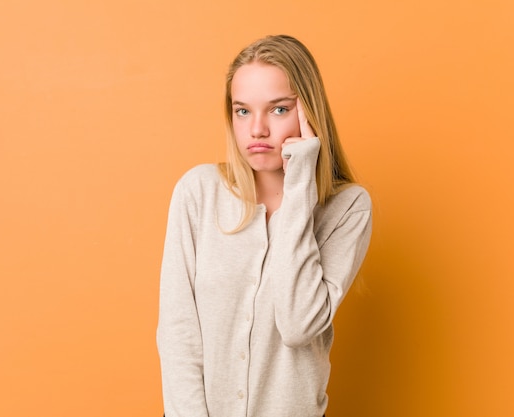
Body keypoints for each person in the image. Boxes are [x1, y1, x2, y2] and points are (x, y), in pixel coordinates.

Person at [157, 34, 372, 417]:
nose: (256, 130)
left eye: (277, 109)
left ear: (308, 112)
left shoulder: (348, 208)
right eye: (242, 111)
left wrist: (300, 184)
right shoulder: (199, 193)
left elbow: (298, 325)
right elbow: (178, 335)